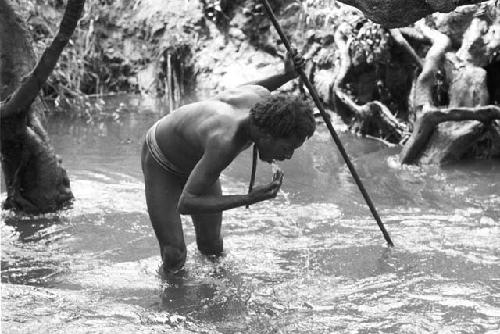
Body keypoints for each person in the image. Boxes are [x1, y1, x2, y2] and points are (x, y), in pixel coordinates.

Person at [141, 52, 316, 273]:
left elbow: (248, 88)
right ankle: (169, 302)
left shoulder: (260, 101)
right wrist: (249, 198)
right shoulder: (225, 142)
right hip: (162, 159)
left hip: (199, 161)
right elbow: (186, 204)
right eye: (286, 148)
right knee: (174, 255)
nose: (288, 156)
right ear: (267, 136)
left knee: (212, 247)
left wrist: (286, 75)